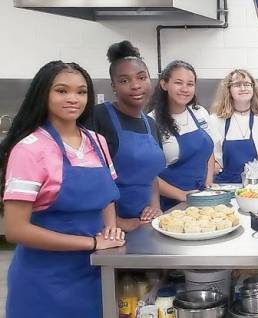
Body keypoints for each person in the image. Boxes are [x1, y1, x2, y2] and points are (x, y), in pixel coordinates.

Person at [0, 61, 125, 317]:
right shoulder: (29, 149)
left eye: (81, 92)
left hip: (95, 273)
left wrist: (110, 230)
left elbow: (107, 197)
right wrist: (91, 242)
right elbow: (15, 229)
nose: (73, 99)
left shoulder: (97, 142)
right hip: (45, 282)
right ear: (43, 93)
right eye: (61, 90)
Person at [85, 40, 165, 232]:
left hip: (143, 225)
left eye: (141, 77)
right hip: (106, 228)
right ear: (113, 86)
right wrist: (118, 222)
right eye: (124, 80)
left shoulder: (151, 124)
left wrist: (154, 208)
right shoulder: (98, 117)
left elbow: (151, 176)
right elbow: (91, 179)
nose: (135, 85)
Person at [148, 60, 217, 210]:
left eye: (190, 84)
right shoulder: (150, 122)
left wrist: (208, 184)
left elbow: (208, 152)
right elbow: (147, 175)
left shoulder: (200, 113)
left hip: (201, 199)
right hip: (169, 205)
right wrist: (182, 195)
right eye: (179, 83)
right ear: (164, 84)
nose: (185, 89)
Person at [210, 69, 258, 183]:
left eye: (247, 84)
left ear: (253, 88)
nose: (243, 88)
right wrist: (214, 167)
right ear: (228, 90)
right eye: (237, 85)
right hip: (223, 187)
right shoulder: (214, 120)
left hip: (257, 188)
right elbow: (206, 153)